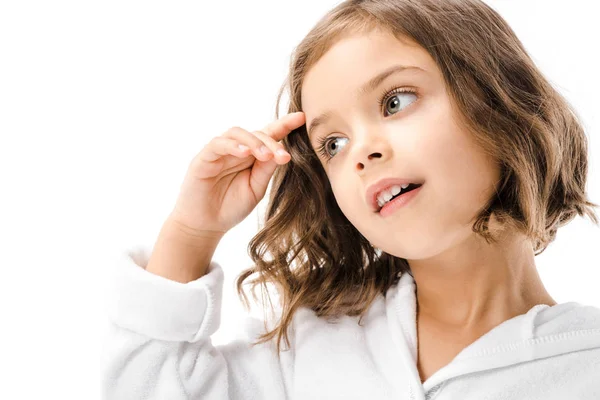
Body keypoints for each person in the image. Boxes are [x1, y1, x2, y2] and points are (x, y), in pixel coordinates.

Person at [101, 0, 600, 399]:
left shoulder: (586, 364)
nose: (361, 151)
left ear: (497, 100)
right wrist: (193, 231)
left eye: (395, 101)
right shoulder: (304, 347)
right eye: (332, 145)